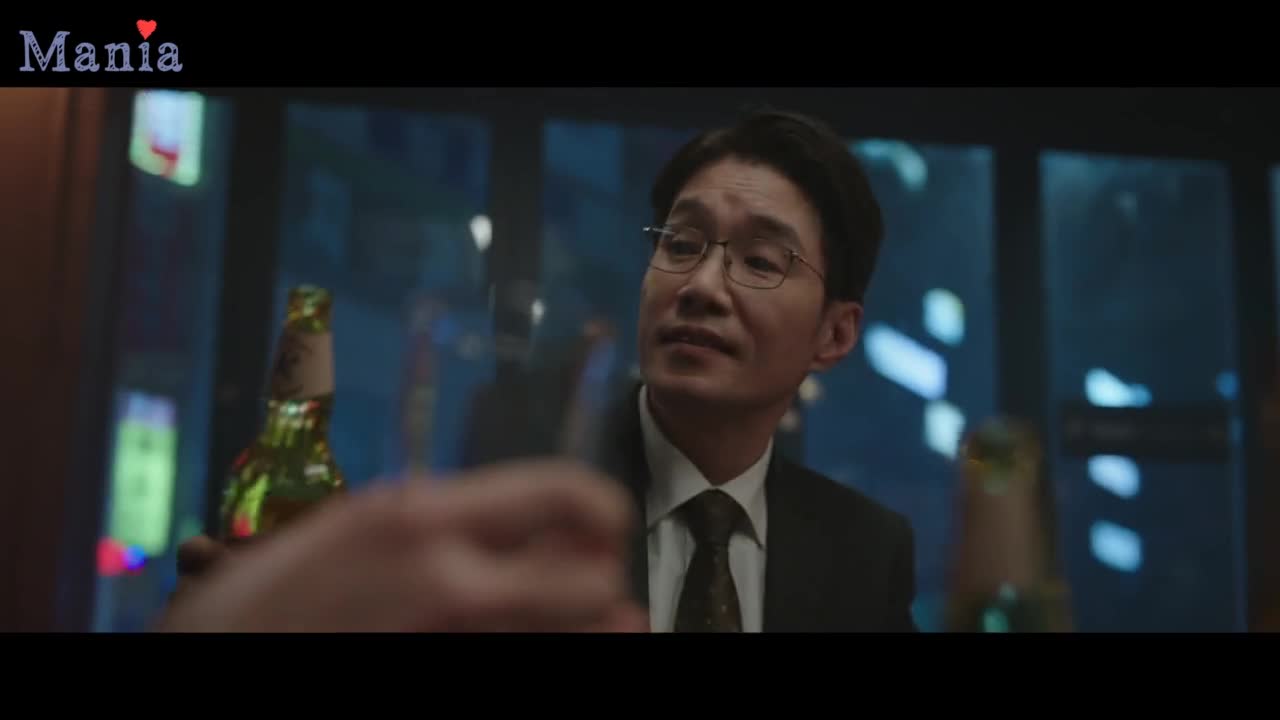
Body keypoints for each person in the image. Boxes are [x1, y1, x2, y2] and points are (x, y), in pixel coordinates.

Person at [164, 108, 918, 633]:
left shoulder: (865, 550)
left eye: (759, 260)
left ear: (834, 333)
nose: (700, 286)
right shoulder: (513, 473)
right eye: (681, 244)